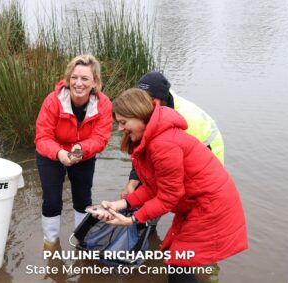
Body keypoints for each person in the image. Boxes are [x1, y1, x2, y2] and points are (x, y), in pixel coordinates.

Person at [92, 88, 247, 283]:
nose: (120, 129)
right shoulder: (154, 137)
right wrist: (120, 205)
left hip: (210, 207)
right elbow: (153, 187)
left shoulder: (162, 144)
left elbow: (169, 196)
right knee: (178, 260)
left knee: (179, 263)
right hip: (197, 204)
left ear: (140, 116)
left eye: (123, 122)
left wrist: (132, 220)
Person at [34, 54, 112, 251]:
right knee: (51, 200)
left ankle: (81, 240)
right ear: (68, 79)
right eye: (74, 77)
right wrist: (60, 153)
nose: (79, 83)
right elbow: (42, 137)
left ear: (95, 82)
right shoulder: (52, 101)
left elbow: (101, 138)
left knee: (83, 199)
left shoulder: (103, 104)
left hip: (83, 154)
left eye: (85, 79)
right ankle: (50, 242)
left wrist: (82, 149)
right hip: (52, 153)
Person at [121, 71, 224, 198]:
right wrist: (133, 182)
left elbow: (171, 171)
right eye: (140, 99)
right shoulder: (150, 111)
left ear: (161, 99)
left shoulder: (187, 119)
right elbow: (142, 149)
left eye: (147, 100)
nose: (142, 105)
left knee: (184, 197)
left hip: (209, 157)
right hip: (177, 151)